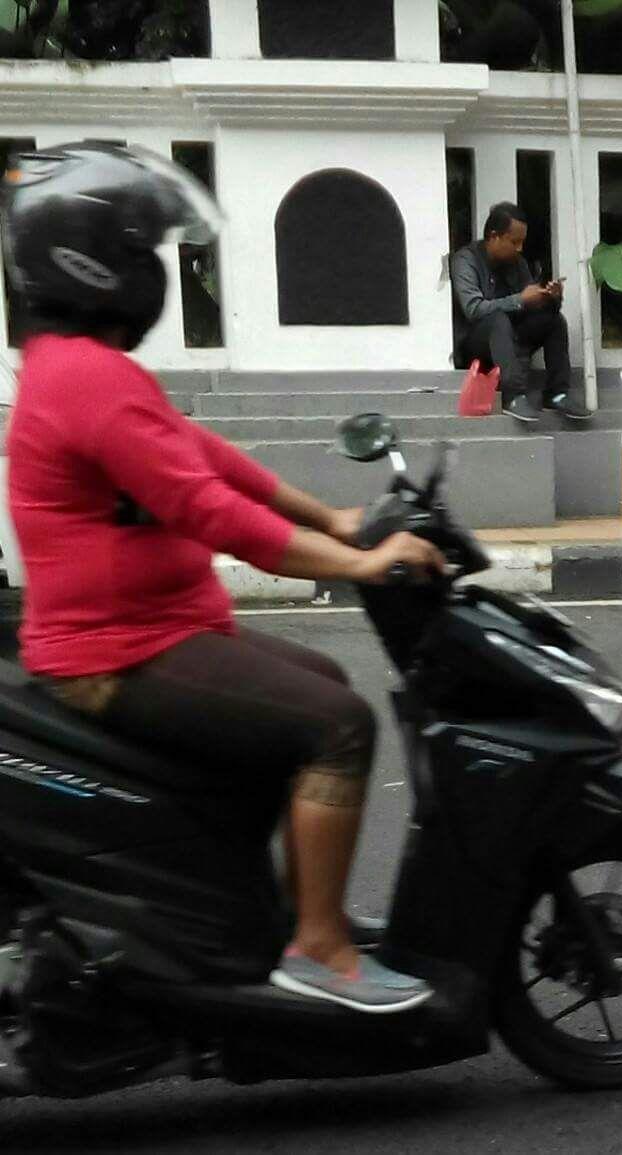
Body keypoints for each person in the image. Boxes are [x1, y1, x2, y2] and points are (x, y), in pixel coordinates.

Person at [2, 141, 446, 1012]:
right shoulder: (85, 378)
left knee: (316, 677)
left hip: (146, 633)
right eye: (144, 251)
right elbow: (215, 514)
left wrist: (332, 517)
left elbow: (204, 458)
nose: (154, 269)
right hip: (117, 651)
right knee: (339, 724)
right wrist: (359, 561)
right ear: (95, 263)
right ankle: (319, 947)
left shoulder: (84, 372)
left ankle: (268, 909)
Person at [451, 201, 591, 425]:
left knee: (554, 321)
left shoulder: (518, 263)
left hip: (511, 342)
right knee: (496, 319)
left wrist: (550, 298)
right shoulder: (465, 261)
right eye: (514, 241)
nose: (519, 248)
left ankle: (557, 394)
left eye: (522, 242)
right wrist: (520, 299)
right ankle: (513, 396)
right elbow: (473, 309)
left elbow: (529, 304)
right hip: (476, 347)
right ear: (494, 236)